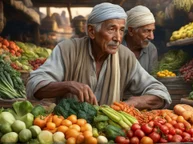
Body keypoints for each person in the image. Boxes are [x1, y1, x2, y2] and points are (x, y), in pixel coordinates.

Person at [26, 3, 171, 110]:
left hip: (109, 133)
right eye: (112, 29)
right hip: (72, 130)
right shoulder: (67, 49)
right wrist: (69, 86)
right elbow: (35, 85)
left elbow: (160, 92)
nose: (118, 38)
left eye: (121, 30)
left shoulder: (125, 56)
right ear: (91, 31)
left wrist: (135, 102)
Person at [122, 5, 158, 73]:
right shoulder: (116, 48)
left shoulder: (151, 49)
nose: (151, 37)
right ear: (131, 31)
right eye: (147, 31)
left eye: (152, 31)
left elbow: (153, 78)